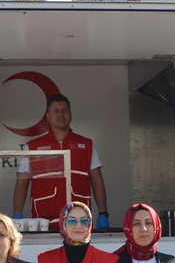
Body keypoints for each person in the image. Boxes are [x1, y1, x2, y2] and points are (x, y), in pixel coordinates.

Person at [13, 94, 107, 227]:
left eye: (65, 110)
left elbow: (97, 179)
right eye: (56, 111)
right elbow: (22, 181)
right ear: (48, 117)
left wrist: (103, 212)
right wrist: (17, 213)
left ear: (71, 114)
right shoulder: (32, 147)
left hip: (78, 223)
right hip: (43, 223)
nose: (61, 115)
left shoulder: (86, 145)